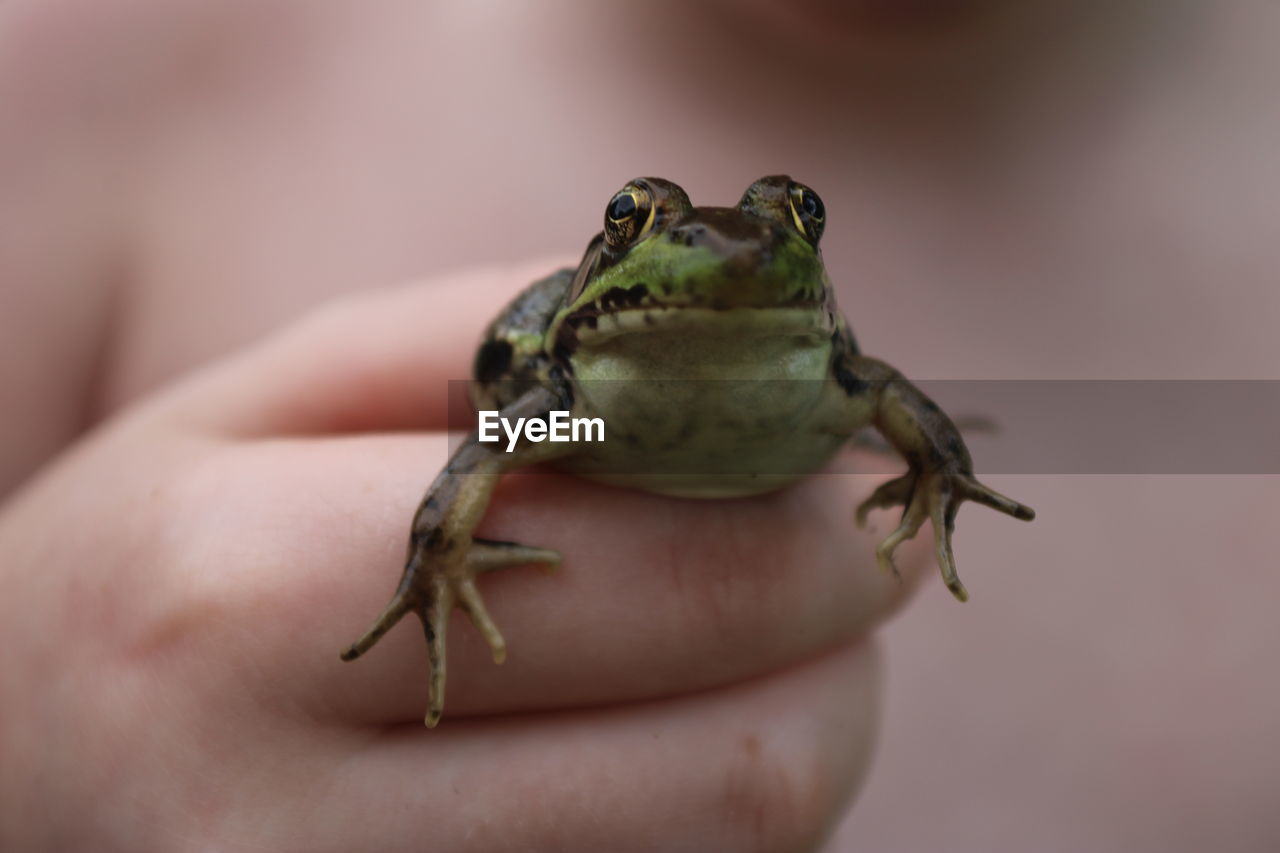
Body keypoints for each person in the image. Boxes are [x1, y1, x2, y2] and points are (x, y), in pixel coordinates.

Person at [2, 2, 1277, 850]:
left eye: (791, 222)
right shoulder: (103, 70)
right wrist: (37, 731)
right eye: (639, 221)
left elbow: (887, 398)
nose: (722, 250)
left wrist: (939, 477)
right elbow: (496, 441)